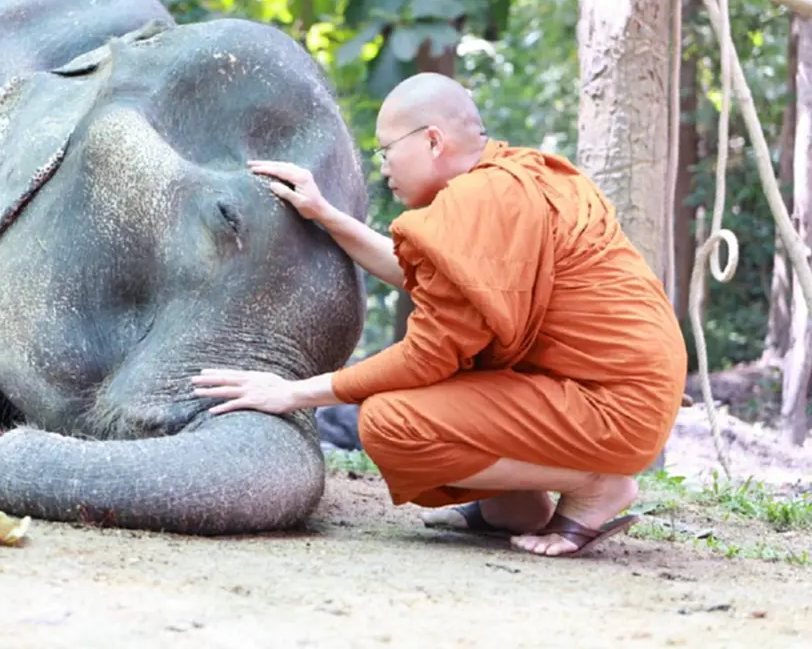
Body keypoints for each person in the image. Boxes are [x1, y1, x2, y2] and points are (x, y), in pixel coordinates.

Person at [191, 72, 687, 558]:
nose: (384, 167)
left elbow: (427, 356)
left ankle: (596, 486)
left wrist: (293, 393)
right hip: (623, 397)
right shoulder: (509, 178)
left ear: (432, 141)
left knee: (390, 423)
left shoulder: (482, 199)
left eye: (386, 150)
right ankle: (513, 507)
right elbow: (436, 278)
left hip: (611, 406)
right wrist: (325, 214)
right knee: (451, 383)